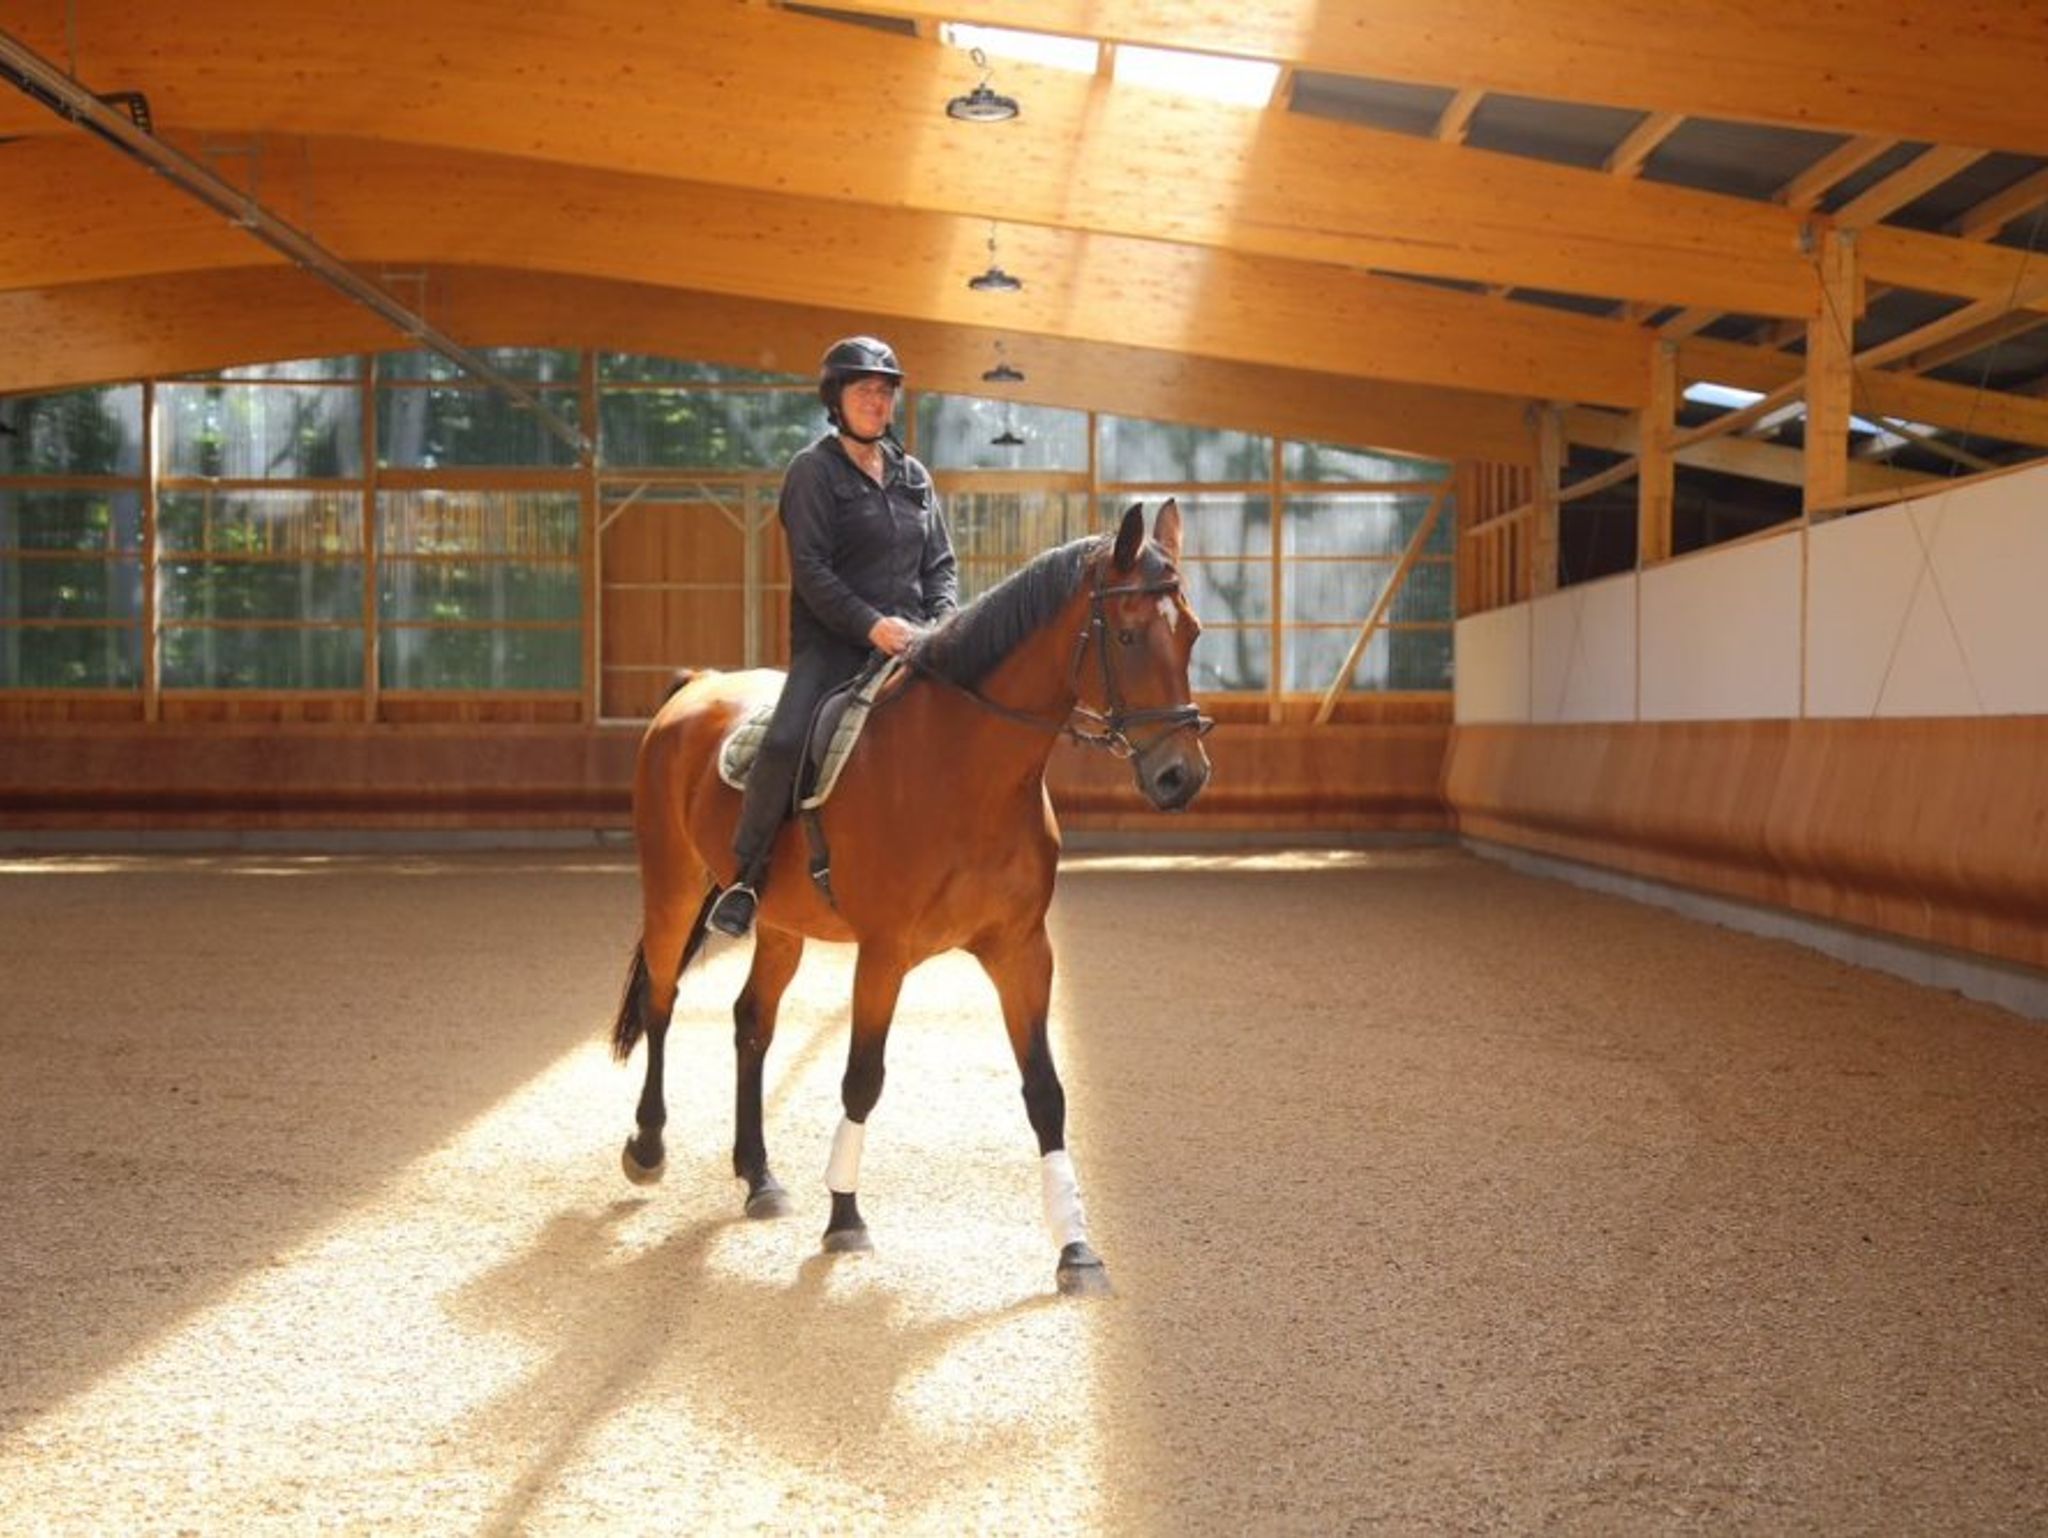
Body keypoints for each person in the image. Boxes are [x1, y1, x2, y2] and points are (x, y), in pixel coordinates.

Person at [706, 336, 958, 939]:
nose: (877, 401)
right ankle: (747, 874)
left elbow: (941, 563)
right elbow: (812, 571)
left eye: (885, 391)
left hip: (916, 644)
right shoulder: (812, 472)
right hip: (835, 647)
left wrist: (942, 623)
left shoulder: (914, 475)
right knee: (788, 737)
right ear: (836, 398)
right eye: (864, 390)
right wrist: (872, 624)